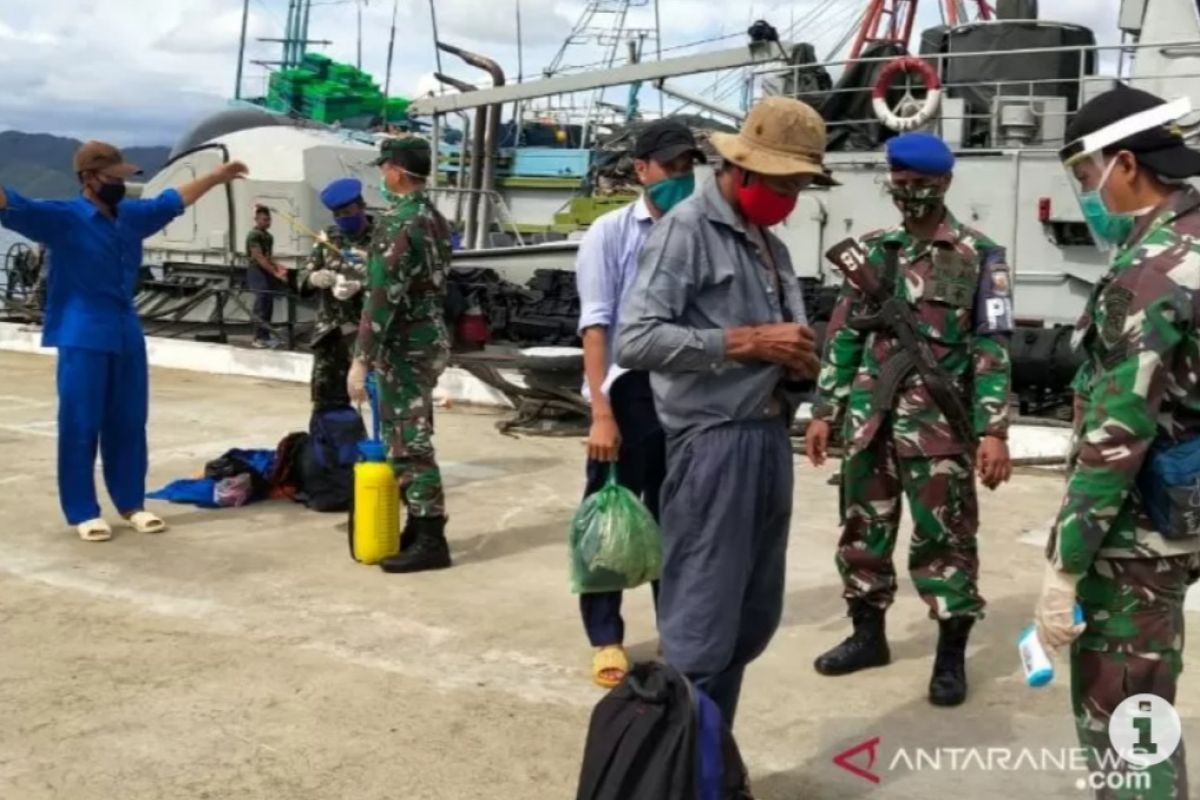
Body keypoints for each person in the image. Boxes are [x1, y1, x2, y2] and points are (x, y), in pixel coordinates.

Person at [616, 96, 831, 726]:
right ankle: (683, 769)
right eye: (782, 183)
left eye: (799, 186)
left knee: (747, 623)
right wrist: (744, 342)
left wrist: (798, 367)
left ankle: (713, 758)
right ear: (740, 171)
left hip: (766, 437)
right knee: (702, 629)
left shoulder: (770, 247)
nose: (790, 198)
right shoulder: (687, 231)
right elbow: (636, 339)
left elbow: (778, 340)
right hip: (712, 445)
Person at [806, 131, 1014, 707]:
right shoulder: (873, 253)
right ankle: (866, 636)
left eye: (921, 185)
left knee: (945, 540)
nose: (910, 194)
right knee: (862, 534)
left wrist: (993, 429)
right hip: (870, 423)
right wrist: (825, 410)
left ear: (945, 184)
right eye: (900, 185)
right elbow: (845, 334)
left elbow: (991, 348)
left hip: (939, 429)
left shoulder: (981, 257)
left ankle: (949, 658)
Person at [1037, 85, 1200, 797]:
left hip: (1136, 540)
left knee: (1127, 719)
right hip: (1185, 514)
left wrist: (1065, 563)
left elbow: (1117, 430)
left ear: (1126, 163)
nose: (1087, 195)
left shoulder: (1148, 270)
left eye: (1086, 176)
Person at [0, 141, 247, 541]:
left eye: (123, 178)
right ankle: (83, 510)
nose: (120, 184)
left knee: (130, 422)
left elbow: (172, 201)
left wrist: (217, 177)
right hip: (82, 334)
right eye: (113, 178)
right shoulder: (61, 219)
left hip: (126, 333)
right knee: (81, 423)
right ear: (89, 178)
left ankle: (132, 503)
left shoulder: (130, 217)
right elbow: (13, 204)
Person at [575, 119, 706, 688]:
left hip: (683, 394)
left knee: (676, 519)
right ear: (641, 170)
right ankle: (606, 636)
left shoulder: (702, 233)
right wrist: (602, 412)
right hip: (625, 393)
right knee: (608, 517)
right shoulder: (610, 232)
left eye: (687, 167)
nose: (681, 177)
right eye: (671, 167)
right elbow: (596, 325)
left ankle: (675, 631)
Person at [348, 136, 453, 573]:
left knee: (408, 441)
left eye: (384, 169)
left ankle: (430, 536)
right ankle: (417, 524)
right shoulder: (434, 219)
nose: (382, 177)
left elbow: (382, 298)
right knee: (411, 432)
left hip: (404, 344)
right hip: (429, 337)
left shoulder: (398, 223)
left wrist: (360, 359)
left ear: (396, 171)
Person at [299, 177, 375, 407]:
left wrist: (362, 284)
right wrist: (314, 278)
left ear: (362, 207)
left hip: (367, 334)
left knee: (373, 399)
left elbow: (397, 281)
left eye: (348, 212)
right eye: (338, 214)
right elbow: (304, 275)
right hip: (330, 332)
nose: (343, 218)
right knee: (326, 402)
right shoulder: (328, 238)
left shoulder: (382, 239)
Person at [245, 204, 289, 348]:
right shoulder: (254, 235)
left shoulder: (269, 236)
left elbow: (268, 257)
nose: (267, 222)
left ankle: (266, 335)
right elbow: (259, 257)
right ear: (256, 220)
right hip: (256, 270)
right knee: (262, 301)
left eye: (268, 220)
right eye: (264, 219)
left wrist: (277, 266)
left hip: (265, 270)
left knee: (268, 303)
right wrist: (275, 272)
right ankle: (257, 337)